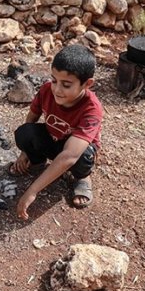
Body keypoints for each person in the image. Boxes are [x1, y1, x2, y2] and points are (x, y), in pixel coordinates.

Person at [9, 44, 103, 220]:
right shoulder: (46, 90)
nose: (57, 89)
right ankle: (38, 163)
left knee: (83, 156)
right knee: (24, 133)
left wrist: (32, 191)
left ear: (87, 84)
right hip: (54, 140)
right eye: (54, 80)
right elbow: (32, 118)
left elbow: (69, 155)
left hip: (75, 151)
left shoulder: (92, 109)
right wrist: (25, 152)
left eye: (66, 85)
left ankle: (82, 178)